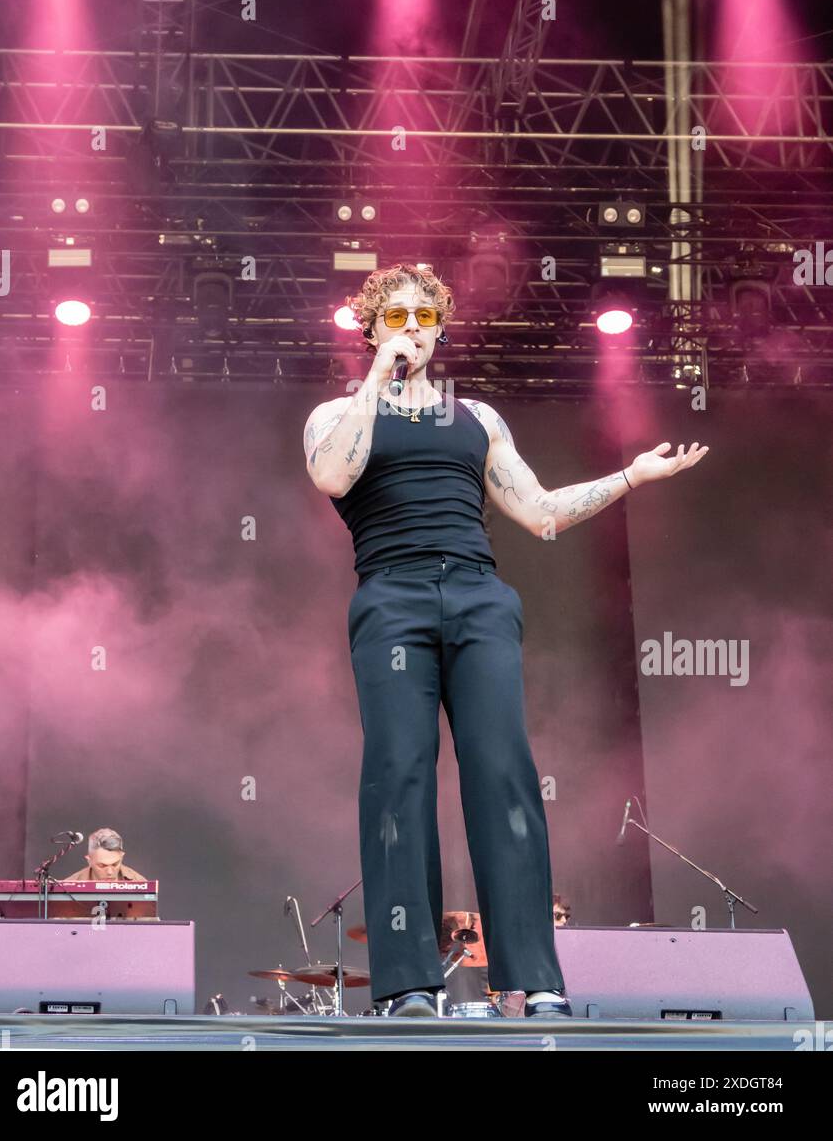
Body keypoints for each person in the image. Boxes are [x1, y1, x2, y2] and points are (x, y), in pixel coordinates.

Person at [303, 263, 707, 1018]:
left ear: (442, 329)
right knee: (400, 777)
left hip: (480, 597)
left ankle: (536, 981)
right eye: (396, 318)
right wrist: (375, 381)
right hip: (392, 595)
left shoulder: (478, 418)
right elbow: (333, 476)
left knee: (503, 775)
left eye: (425, 317)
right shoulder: (336, 412)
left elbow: (543, 513)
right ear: (369, 330)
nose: (412, 329)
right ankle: (407, 986)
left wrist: (629, 477)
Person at [58, 828, 147, 882]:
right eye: (102, 865)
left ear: (122, 856)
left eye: (115, 864)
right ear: (89, 860)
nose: (110, 872)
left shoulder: (140, 882)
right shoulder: (69, 886)